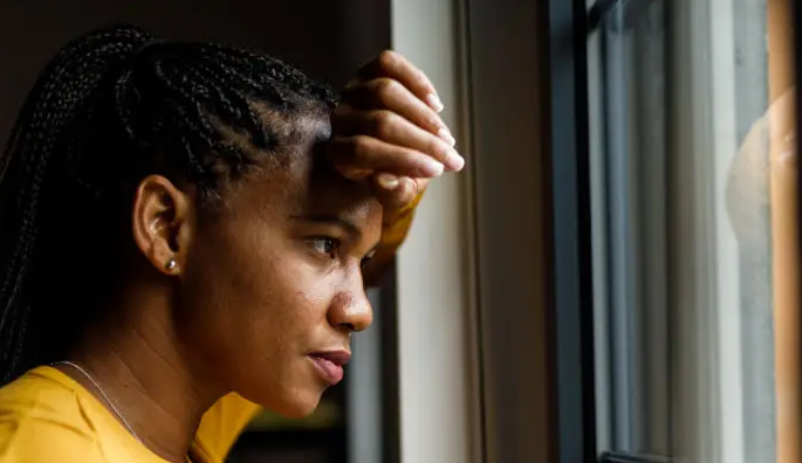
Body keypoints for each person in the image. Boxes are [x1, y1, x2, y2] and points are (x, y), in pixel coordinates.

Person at [0, 24, 464, 463]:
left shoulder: (168, 422)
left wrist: (395, 175)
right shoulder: (43, 447)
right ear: (166, 227)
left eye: (360, 260)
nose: (360, 311)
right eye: (325, 245)